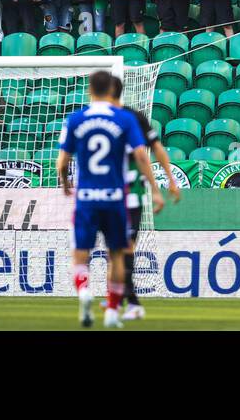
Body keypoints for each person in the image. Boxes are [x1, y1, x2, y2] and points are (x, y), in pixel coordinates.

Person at [55, 69, 162, 328]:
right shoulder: (124, 119)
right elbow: (140, 155)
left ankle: (84, 290)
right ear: (112, 90)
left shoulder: (76, 118)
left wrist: (66, 181)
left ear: (90, 89)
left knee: (80, 254)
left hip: (87, 198)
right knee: (116, 255)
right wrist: (155, 188)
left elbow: (62, 161)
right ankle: (113, 312)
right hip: (116, 198)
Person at [115, 72, 180, 320]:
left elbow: (147, 153)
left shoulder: (130, 119)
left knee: (121, 247)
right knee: (119, 248)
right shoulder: (126, 118)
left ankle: (126, 300)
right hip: (122, 192)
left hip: (125, 191)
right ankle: (121, 299)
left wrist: (161, 185)